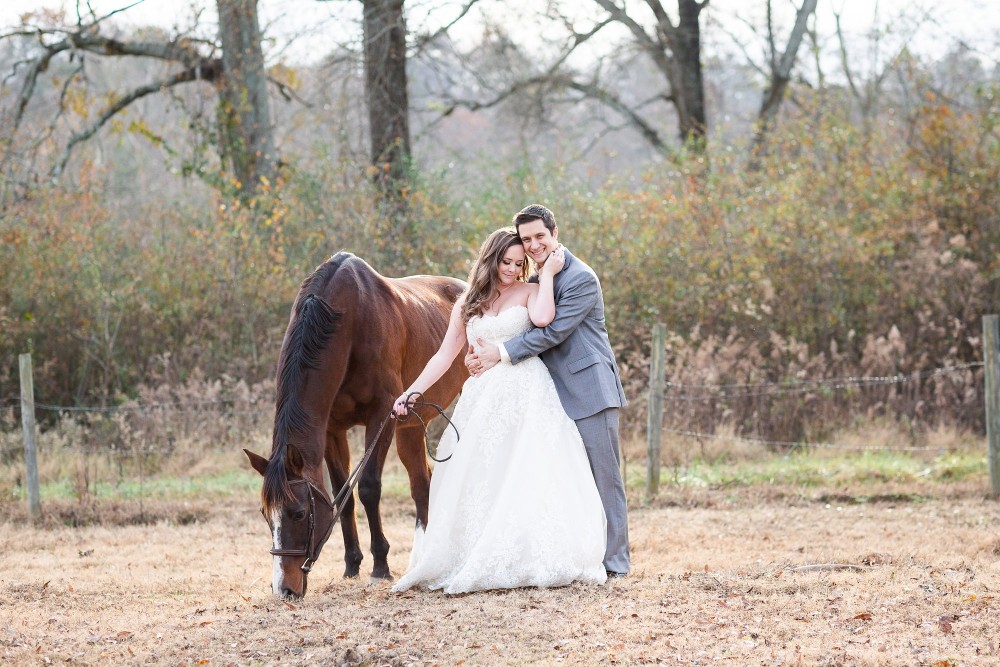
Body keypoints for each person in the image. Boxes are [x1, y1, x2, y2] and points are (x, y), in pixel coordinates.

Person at [390, 227, 607, 594]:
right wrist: (412, 392)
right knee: (482, 471)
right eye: (506, 262)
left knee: (526, 469)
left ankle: (524, 553)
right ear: (490, 260)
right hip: (483, 394)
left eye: (519, 264)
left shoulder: (531, 291)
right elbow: (444, 355)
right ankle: (474, 551)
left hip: (527, 390)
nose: (511, 269)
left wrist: (547, 276)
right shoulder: (467, 302)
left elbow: (543, 320)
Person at [467, 204, 630, 577]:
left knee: (604, 478)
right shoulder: (539, 278)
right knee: (568, 479)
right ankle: (581, 555)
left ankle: (617, 563)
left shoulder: (580, 278)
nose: (534, 244)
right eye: (527, 239)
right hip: (548, 393)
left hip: (588, 389)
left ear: (555, 233)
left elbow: (552, 332)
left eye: (540, 235)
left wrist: (500, 352)